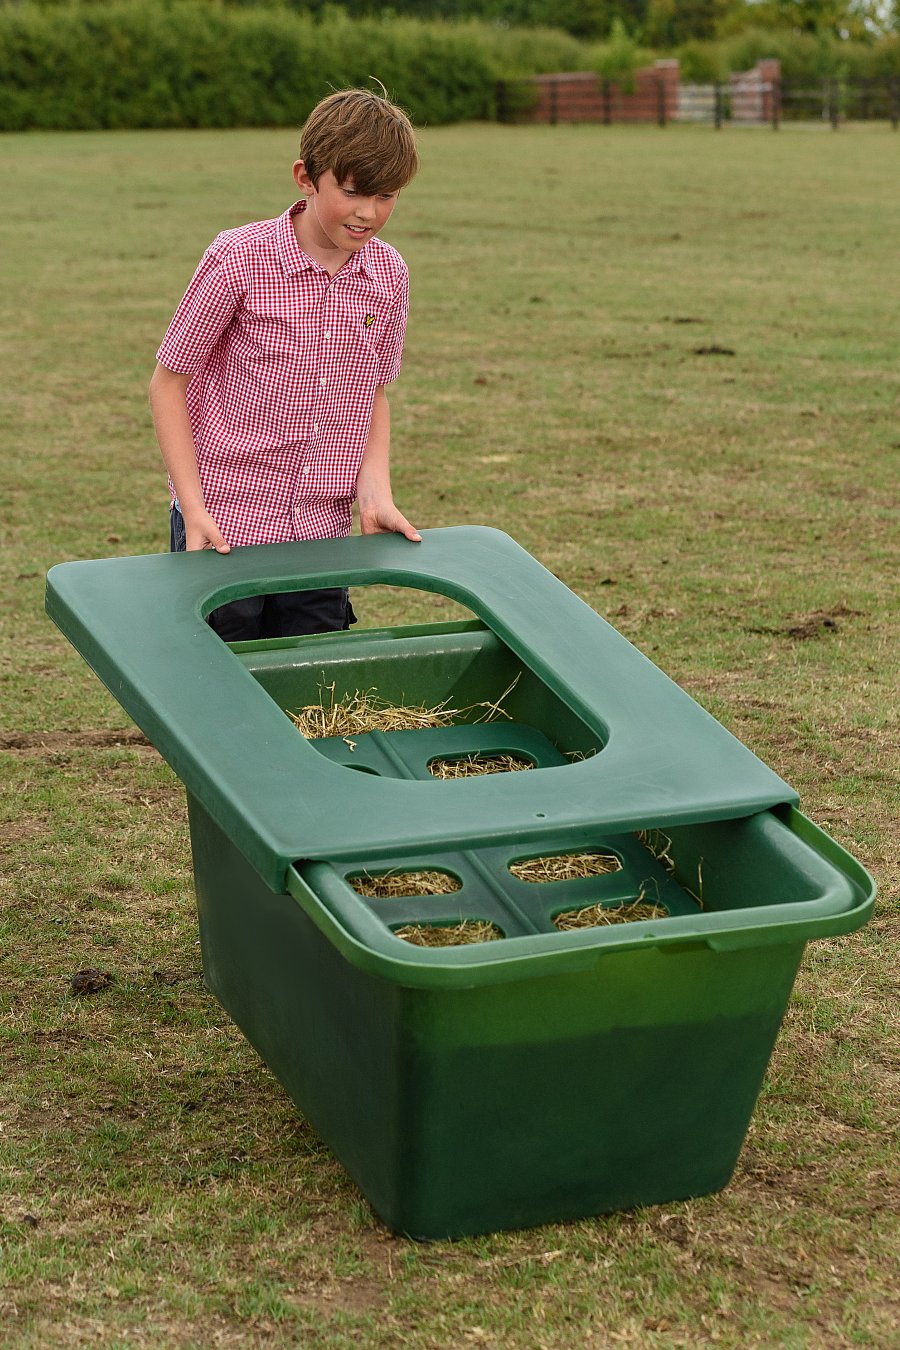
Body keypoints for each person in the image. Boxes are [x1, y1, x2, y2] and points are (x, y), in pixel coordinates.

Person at [149, 87, 421, 642]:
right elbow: (168, 382)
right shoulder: (238, 257)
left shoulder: (390, 275)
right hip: (225, 523)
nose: (368, 213)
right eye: (352, 192)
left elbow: (373, 391)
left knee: (314, 679)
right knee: (219, 673)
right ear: (306, 177)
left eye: (386, 196)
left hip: (322, 530)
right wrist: (193, 509)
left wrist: (375, 490)